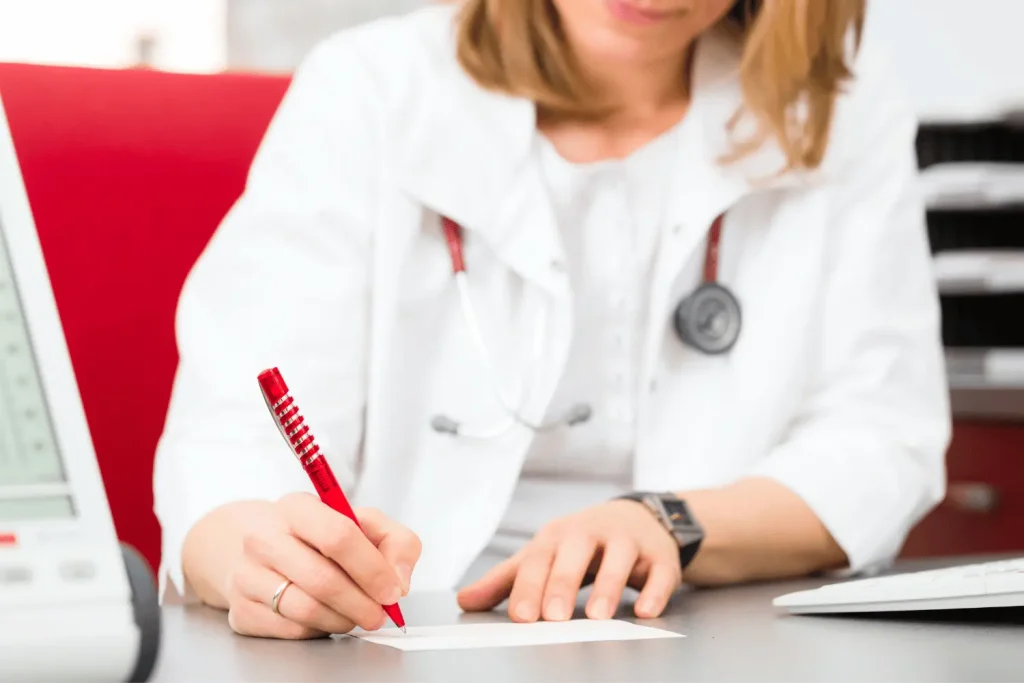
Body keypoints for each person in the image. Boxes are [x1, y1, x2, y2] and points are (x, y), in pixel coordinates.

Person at [153, 0, 951, 640]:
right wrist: (269, 564)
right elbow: (228, 452)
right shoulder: (368, 90)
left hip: (710, 635)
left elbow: (883, 435)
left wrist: (667, 522)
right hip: (404, 633)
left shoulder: (838, 110)